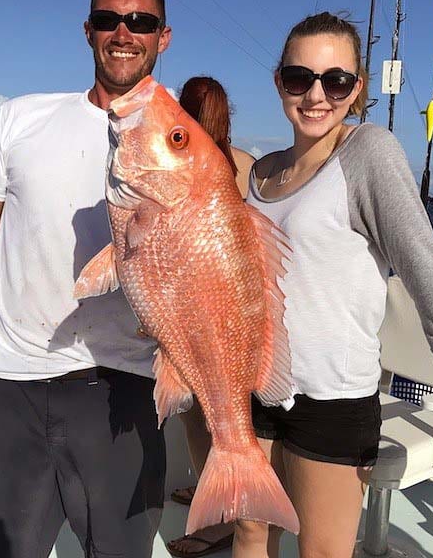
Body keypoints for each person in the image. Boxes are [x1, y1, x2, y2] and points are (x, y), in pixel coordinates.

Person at [0, 0, 172, 558]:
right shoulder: (19, 118)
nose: (123, 32)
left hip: (123, 389)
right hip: (7, 386)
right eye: (109, 19)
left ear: (163, 36)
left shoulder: (178, 140)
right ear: (88, 30)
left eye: (141, 22)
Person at [235, 11, 433, 558]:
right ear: (280, 81)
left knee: (322, 550)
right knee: (251, 531)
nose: (316, 96)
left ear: (358, 90)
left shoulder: (368, 153)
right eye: (299, 78)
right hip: (253, 386)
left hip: (331, 399)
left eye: (336, 81)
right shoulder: (261, 173)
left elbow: (428, 274)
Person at [167, 76, 254, 558]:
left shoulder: (188, 165)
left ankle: (223, 518)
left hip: (196, 313)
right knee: (205, 413)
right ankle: (210, 494)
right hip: (231, 316)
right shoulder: (245, 165)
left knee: (203, 419)